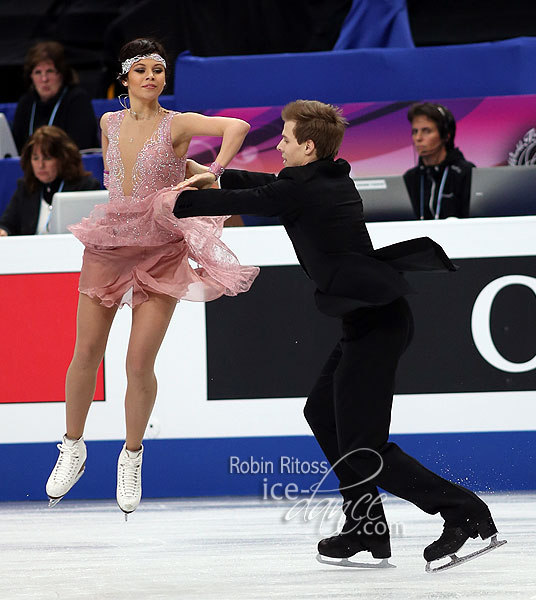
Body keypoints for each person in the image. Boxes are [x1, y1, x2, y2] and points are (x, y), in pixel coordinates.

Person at [173, 100, 502, 569]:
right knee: (322, 413)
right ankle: (365, 527)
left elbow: (256, 200)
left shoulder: (305, 189)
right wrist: (215, 176)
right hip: (369, 320)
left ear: (307, 146)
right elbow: (268, 189)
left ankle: (465, 514)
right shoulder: (323, 176)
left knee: (368, 448)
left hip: (378, 324)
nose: (279, 146)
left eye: (285, 139)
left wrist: (168, 198)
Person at [45, 38, 258, 517]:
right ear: (124, 78)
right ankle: (72, 447)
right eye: (140, 69)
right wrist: (181, 167)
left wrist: (212, 172)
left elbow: (237, 126)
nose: (151, 76)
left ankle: (132, 455)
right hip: (111, 243)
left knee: (138, 362)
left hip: (160, 250)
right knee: (85, 353)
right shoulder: (108, 122)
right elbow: (130, 174)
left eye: (158, 69)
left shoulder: (177, 122)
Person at [0, 126, 100, 236]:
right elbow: (8, 224)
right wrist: (3, 232)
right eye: (35, 158)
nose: (40, 165)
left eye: (47, 158)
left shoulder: (86, 187)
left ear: (63, 159)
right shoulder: (26, 187)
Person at [11, 41, 99, 152]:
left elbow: (80, 147)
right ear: (31, 77)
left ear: (61, 74)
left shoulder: (77, 100)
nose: (44, 79)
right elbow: (15, 149)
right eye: (38, 72)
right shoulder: (26, 103)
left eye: (50, 71)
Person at [403, 102, 475, 220]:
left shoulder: (466, 173)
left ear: (446, 135)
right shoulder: (410, 178)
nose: (418, 138)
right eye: (415, 131)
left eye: (426, 131)